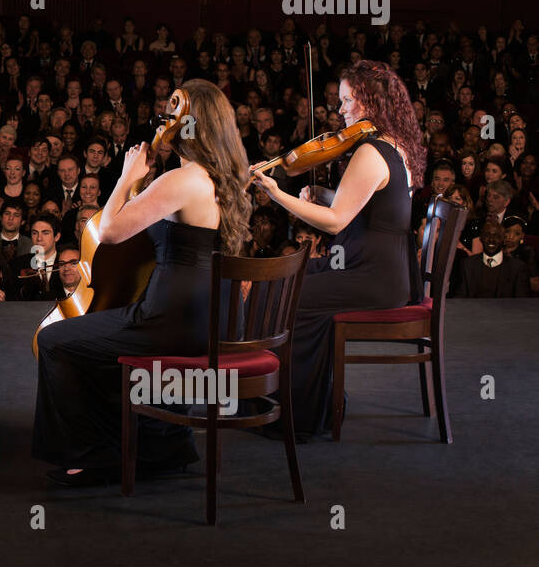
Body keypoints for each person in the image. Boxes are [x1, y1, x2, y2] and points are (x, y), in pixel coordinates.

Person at [33, 79, 251, 485]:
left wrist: (125, 174)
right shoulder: (227, 179)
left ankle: (94, 456)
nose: (164, 119)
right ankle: (162, 445)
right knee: (98, 337)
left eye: (174, 111)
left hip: (171, 323)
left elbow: (111, 231)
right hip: (214, 321)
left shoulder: (181, 181)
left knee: (55, 340)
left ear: (190, 124)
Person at [253, 60, 426, 437]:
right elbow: (375, 206)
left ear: (370, 102)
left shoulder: (369, 153)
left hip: (371, 277)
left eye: (348, 100)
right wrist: (326, 194)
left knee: (289, 297)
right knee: (287, 279)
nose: (341, 109)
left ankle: (300, 415)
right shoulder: (397, 146)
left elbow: (335, 222)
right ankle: (314, 397)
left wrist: (276, 193)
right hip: (388, 272)